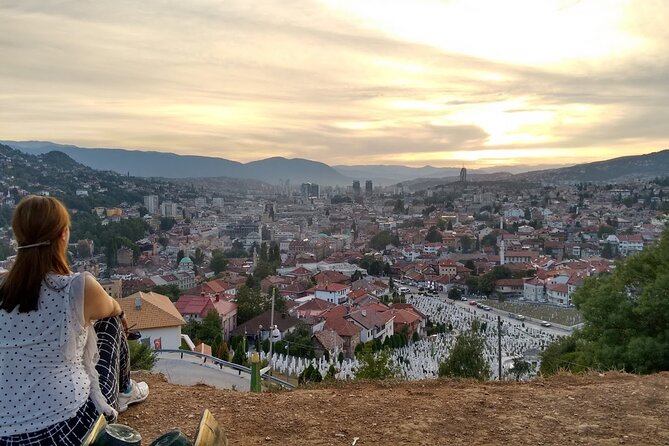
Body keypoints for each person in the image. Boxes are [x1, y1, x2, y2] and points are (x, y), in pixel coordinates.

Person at [0, 196, 149, 445]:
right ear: (63, 235)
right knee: (110, 322)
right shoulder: (76, 286)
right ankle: (124, 391)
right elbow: (112, 308)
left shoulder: (3, 286)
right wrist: (120, 314)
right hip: (68, 430)